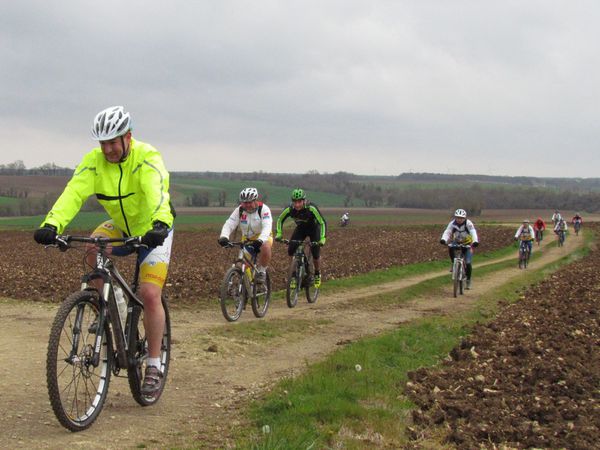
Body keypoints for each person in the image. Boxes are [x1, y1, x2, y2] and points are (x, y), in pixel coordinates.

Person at [33, 106, 175, 398]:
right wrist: (52, 223)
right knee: (90, 248)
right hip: (121, 224)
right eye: (103, 143)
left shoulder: (147, 157)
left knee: (149, 294)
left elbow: (158, 191)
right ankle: (116, 308)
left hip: (154, 226)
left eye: (113, 142)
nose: (108, 149)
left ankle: (153, 364)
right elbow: (73, 193)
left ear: (128, 137)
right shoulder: (93, 163)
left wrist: (160, 223)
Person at [218, 187, 273, 284]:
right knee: (240, 265)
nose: (247, 205)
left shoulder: (264, 209)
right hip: (247, 239)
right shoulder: (239, 210)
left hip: (263, 236)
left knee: (266, 247)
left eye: (249, 202)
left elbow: (267, 226)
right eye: (244, 202)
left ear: (255, 200)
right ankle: (248, 286)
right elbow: (229, 224)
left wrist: (260, 240)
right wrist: (224, 237)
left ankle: (262, 271)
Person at [275, 188, 327, 288]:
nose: (297, 204)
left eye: (299, 202)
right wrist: (279, 233)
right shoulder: (290, 209)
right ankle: (293, 275)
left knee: (315, 253)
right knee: (291, 249)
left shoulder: (311, 208)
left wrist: (323, 238)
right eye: (295, 202)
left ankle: (317, 273)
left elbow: (322, 222)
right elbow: (280, 220)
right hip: (301, 229)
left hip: (313, 229)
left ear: (304, 201)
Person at [439, 209, 479, 289]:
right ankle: (453, 263)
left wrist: (475, 241)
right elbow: (448, 231)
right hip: (456, 242)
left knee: (468, 262)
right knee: (450, 247)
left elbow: (473, 232)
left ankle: (468, 280)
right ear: (455, 217)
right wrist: (443, 239)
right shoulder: (452, 223)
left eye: (461, 218)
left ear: (464, 218)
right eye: (457, 218)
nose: (459, 219)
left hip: (467, 244)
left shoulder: (468, 223)